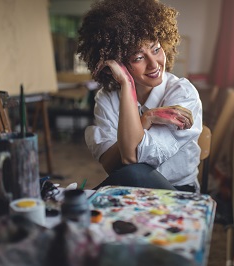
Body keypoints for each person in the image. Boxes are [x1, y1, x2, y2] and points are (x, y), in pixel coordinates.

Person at [77, 0, 202, 193]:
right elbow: (111, 167)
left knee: (134, 172)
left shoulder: (183, 93)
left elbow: (129, 159)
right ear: (117, 64)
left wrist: (137, 127)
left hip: (178, 193)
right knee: (129, 175)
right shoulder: (107, 98)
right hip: (131, 189)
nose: (154, 64)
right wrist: (144, 115)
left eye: (156, 49)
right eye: (138, 57)